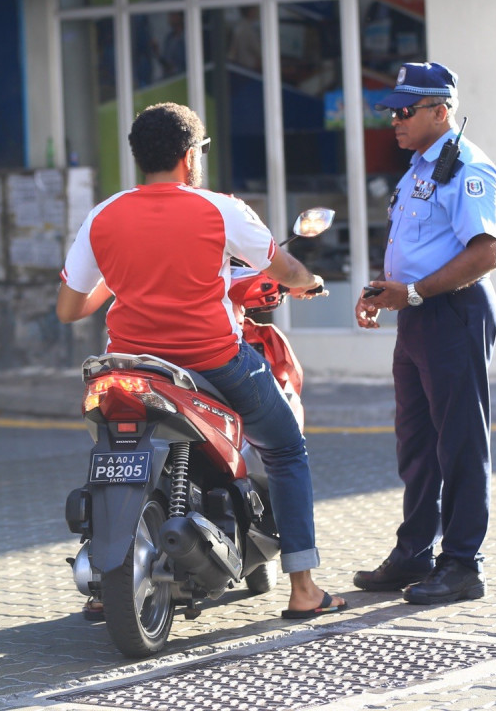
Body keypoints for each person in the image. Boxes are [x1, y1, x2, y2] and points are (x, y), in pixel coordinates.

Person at [57, 102, 347, 620]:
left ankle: (107, 578)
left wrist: (119, 275)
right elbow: (284, 269)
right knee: (286, 448)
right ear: (190, 157)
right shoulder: (221, 209)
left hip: (129, 366)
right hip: (212, 361)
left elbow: (69, 308)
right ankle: (303, 588)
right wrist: (309, 281)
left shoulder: (103, 215)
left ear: (139, 156)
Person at [353, 62, 496, 605]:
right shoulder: (419, 167)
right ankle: (414, 551)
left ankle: (462, 564)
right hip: (418, 315)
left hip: (452, 312)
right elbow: (417, 245)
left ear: (441, 112)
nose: (394, 120)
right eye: (392, 111)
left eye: (405, 111)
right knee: (416, 444)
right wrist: (383, 290)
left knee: (459, 442)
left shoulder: (468, 166)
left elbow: (485, 254)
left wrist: (413, 293)